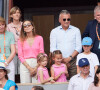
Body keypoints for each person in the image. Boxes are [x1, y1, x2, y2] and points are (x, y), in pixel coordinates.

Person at [50, 10, 82, 79]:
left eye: (68, 19)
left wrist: (69, 58)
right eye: (64, 19)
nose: (66, 21)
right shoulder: (54, 31)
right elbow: (52, 48)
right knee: (60, 82)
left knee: (74, 81)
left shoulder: (76, 30)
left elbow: (79, 47)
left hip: (73, 61)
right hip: (58, 62)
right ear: (59, 20)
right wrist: (61, 60)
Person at [7, 6, 22, 75]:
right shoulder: (8, 27)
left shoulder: (24, 25)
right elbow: (7, 41)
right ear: (11, 15)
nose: (17, 14)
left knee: (23, 72)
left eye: (18, 12)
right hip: (13, 52)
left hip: (24, 52)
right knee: (13, 73)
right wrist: (16, 52)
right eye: (15, 13)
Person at [0, 16, 16, 81]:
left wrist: (6, 63)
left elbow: (13, 51)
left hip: (9, 62)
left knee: (10, 82)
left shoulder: (10, 34)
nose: (1, 27)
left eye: (2, 24)